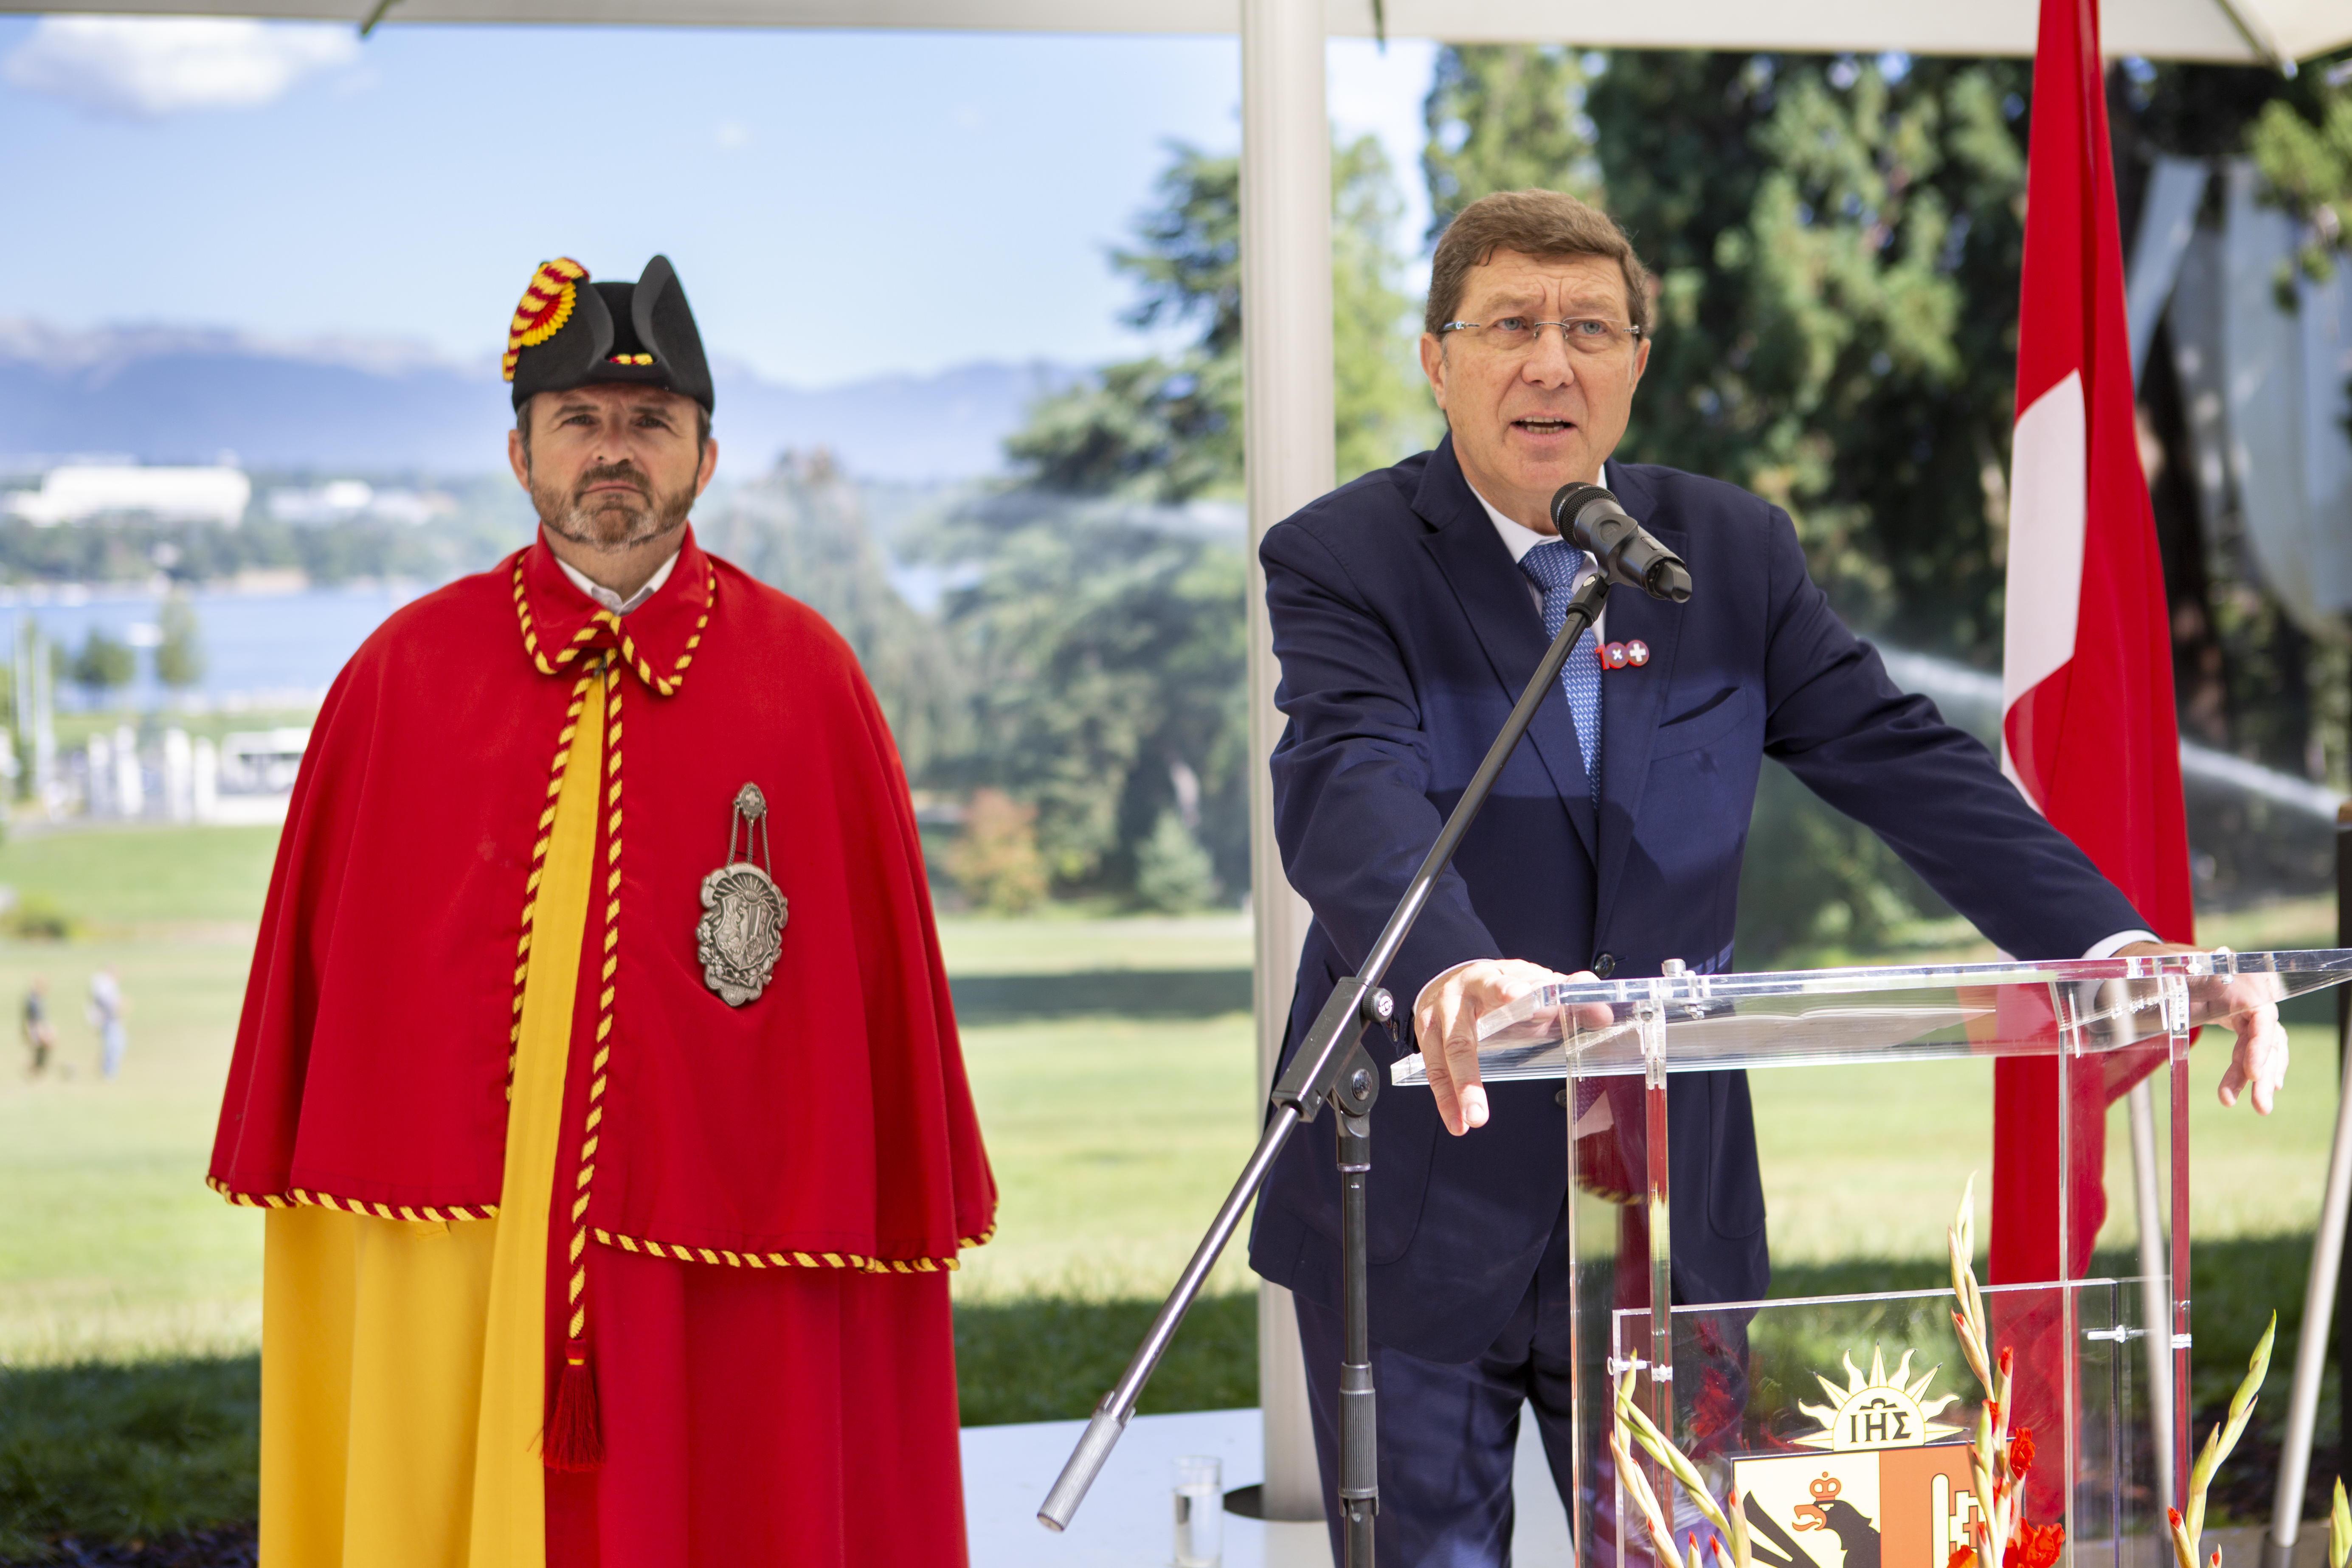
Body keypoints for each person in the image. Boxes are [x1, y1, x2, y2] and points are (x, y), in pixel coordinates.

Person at [1244, 189, 2289, 1563]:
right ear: (1437, 359)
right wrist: (1451, 959)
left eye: (1591, 328)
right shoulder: (1344, 556)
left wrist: (2106, 938)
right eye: (1508, 324)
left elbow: (1900, 755)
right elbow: (1347, 784)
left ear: (1638, 364)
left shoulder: (1725, 555)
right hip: (1419, 1204)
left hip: (1668, 1213)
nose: (1550, 361)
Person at [208, 255, 995, 1568]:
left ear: (706, 454)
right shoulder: (401, 679)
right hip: (460, 1244)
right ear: (519, 454)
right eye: (577, 420)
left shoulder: (807, 682)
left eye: (649, 424)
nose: (612, 453)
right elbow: (331, 1002)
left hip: (732, 1245)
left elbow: (866, 1005)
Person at [87, 966, 124, 1079]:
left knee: (118, 1045)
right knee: (112, 1046)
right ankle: (108, 1072)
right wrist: (118, 1006)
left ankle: (107, 1069)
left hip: (112, 1020)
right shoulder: (103, 985)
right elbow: (106, 1003)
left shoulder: (108, 986)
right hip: (107, 1020)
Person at [22, 975, 53, 1079]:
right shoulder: (34, 1001)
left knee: (40, 1051)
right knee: (41, 1049)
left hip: (35, 1028)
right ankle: (34, 1070)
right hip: (36, 1029)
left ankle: (36, 1071)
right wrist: (43, 1032)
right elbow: (36, 1020)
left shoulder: (35, 999)